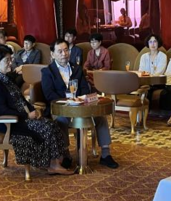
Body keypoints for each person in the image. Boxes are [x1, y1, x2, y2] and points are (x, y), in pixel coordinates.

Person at [0, 44, 73, 175]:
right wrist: (27, 116)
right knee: (47, 128)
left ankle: (59, 159)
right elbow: (3, 111)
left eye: (10, 59)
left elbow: (21, 100)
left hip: (21, 118)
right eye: (7, 60)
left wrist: (33, 110)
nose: (10, 63)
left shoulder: (6, 78)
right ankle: (53, 164)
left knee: (53, 124)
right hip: (9, 123)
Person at [41, 39, 118, 169]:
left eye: (66, 50)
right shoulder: (47, 71)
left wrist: (80, 100)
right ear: (52, 54)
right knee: (61, 120)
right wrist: (68, 101)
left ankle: (106, 154)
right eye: (60, 51)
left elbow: (84, 90)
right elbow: (49, 94)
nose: (64, 54)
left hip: (80, 108)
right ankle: (66, 155)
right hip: (61, 110)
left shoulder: (77, 69)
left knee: (100, 117)